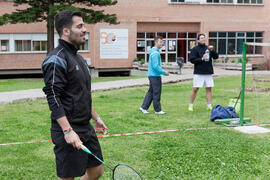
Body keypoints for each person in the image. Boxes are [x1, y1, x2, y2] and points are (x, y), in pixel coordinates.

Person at [42, 10, 107, 180]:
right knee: (67, 177)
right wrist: (68, 131)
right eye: (80, 26)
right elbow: (53, 96)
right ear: (66, 31)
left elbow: (82, 93)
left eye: (84, 25)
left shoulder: (79, 59)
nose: (84, 29)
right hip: (67, 129)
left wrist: (96, 117)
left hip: (85, 127)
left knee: (96, 170)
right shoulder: (56, 59)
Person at [188, 33, 219, 112]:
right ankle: (190, 105)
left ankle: (209, 106)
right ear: (198, 40)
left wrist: (213, 50)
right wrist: (201, 59)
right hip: (198, 72)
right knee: (195, 89)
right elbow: (192, 60)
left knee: (209, 89)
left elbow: (216, 57)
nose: (203, 39)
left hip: (208, 72)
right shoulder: (195, 49)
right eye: (201, 38)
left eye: (204, 38)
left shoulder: (208, 48)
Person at [139, 36, 169, 115]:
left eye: (162, 42)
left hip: (152, 75)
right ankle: (158, 110)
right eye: (160, 42)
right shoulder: (155, 53)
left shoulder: (153, 51)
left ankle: (143, 108)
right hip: (155, 76)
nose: (162, 43)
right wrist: (164, 72)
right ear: (156, 42)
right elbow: (156, 66)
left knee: (151, 92)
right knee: (156, 93)